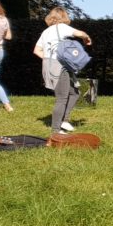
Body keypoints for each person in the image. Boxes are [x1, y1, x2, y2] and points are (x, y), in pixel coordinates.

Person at [32, 7, 93, 135]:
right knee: (62, 98)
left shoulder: (46, 31)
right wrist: (86, 38)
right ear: (63, 16)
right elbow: (80, 33)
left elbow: (37, 51)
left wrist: (49, 59)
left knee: (74, 93)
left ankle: (64, 120)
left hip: (48, 65)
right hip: (59, 66)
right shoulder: (62, 27)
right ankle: (56, 130)